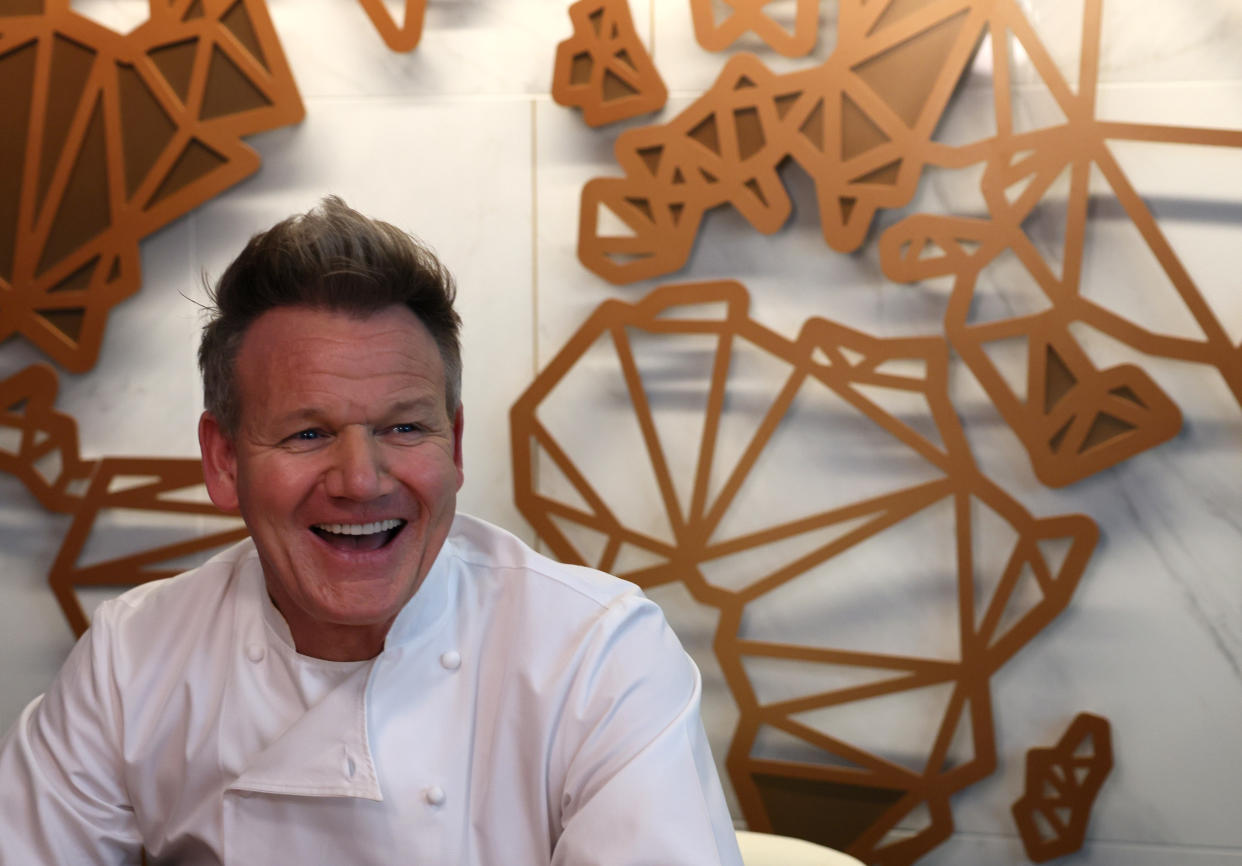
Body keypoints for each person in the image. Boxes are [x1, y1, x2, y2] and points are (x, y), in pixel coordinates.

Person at [0, 197, 743, 864]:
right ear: (224, 461)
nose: (362, 480)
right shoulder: (133, 661)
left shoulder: (597, 656)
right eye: (307, 434)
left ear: (453, 446)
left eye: (404, 427)